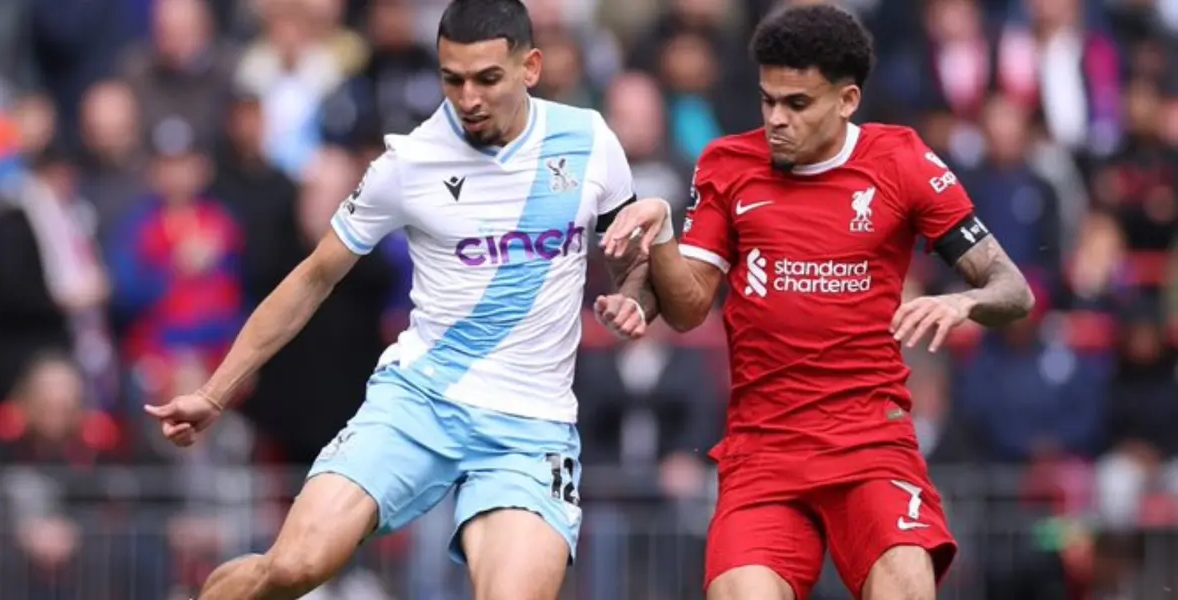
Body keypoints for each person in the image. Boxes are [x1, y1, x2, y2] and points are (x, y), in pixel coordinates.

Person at [144, 1, 656, 598]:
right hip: (419, 404)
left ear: (531, 67)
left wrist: (633, 296)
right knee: (294, 567)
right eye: (453, 79)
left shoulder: (589, 140)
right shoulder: (410, 160)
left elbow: (634, 255)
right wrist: (214, 392)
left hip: (528, 429)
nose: (468, 98)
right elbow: (312, 278)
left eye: (487, 78)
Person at [600, 5, 1035, 600]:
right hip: (764, 449)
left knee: (908, 584)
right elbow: (687, 308)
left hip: (869, 443)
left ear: (848, 99)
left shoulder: (901, 160)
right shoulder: (728, 164)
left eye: (797, 103)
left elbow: (1014, 291)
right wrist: (664, 234)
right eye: (767, 100)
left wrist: (964, 303)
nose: (776, 119)